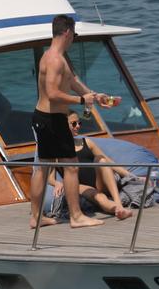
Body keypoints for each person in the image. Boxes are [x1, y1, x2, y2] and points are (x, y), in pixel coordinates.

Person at [29, 15, 106, 230]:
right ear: (67, 33)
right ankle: (76, 216)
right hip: (52, 119)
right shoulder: (54, 59)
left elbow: (72, 82)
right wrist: (81, 101)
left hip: (45, 118)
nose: (73, 39)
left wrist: (94, 96)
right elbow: (53, 93)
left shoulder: (56, 57)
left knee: (43, 167)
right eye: (74, 35)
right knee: (71, 166)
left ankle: (36, 218)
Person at [62, 111, 133, 220]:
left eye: (79, 123)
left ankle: (118, 203)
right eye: (74, 123)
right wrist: (57, 183)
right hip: (79, 184)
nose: (77, 126)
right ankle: (118, 210)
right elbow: (48, 174)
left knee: (102, 160)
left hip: (99, 181)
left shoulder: (86, 142)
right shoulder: (57, 149)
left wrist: (130, 175)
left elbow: (108, 161)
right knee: (99, 197)